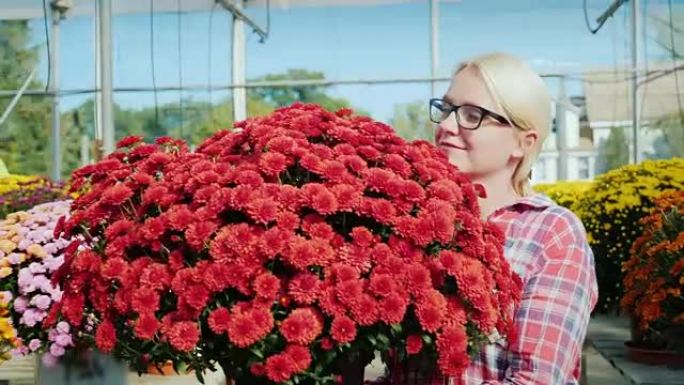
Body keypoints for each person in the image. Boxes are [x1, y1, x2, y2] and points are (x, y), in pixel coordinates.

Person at [387, 52, 598, 385]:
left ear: (522, 142)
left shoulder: (552, 234)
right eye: (446, 109)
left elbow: (535, 380)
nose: (445, 126)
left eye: (472, 115)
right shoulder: (416, 219)